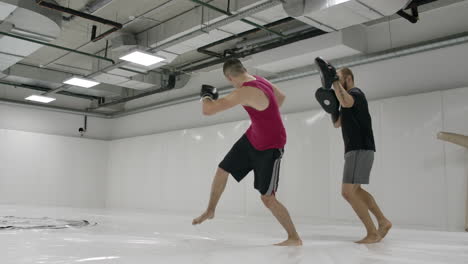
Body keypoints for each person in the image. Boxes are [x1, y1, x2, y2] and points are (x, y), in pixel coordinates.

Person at [192, 58, 302, 246]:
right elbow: (281, 97)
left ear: (229, 78)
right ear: (243, 69)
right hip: (253, 137)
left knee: (267, 198)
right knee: (222, 169)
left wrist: (206, 96)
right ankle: (210, 210)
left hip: (271, 146)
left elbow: (208, 110)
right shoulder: (261, 80)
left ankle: (294, 237)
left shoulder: (244, 92)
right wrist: (266, 115)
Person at [315, 58, 392, 244]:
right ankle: (383, 221)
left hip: (359, 148)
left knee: (347, 192)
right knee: (356, 191)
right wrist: (332, 107)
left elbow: (347, 101)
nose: (336, 81)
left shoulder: (356, 93)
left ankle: (372, 233)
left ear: (348, 79)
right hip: (356, 150)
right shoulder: (345, 100)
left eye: (339, 78)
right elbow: (337, 123)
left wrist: (333, 82)